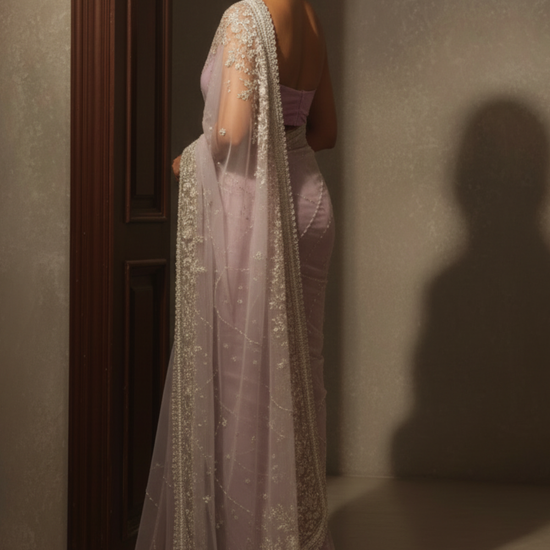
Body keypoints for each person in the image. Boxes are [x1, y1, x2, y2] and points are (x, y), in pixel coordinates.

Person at [136, 0, 337, 548]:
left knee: (245, 379)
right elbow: (325, 130)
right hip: (310, 204)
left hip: (258, 205)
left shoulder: (245, 15)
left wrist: (189, 159)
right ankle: (292, 530)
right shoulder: (311, 17)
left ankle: (249, 535)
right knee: (300, 375)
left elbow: (232, 131)